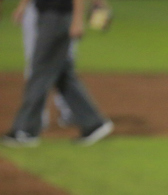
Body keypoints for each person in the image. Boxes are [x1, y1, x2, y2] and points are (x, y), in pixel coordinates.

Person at [2, 0, 113, 148]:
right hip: (46, 14)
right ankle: (94, 123)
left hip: (58, 17)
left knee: (40, 72)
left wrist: (77, 20)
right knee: (62, 74)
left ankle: (26, 131)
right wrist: (23, 7)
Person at [14, 0, 75, 130]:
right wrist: (23, 6)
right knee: (37, 63)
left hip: (64, 11)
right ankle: (38, 115)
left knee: (63, 63)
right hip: (38, 9)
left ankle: (69, 111)